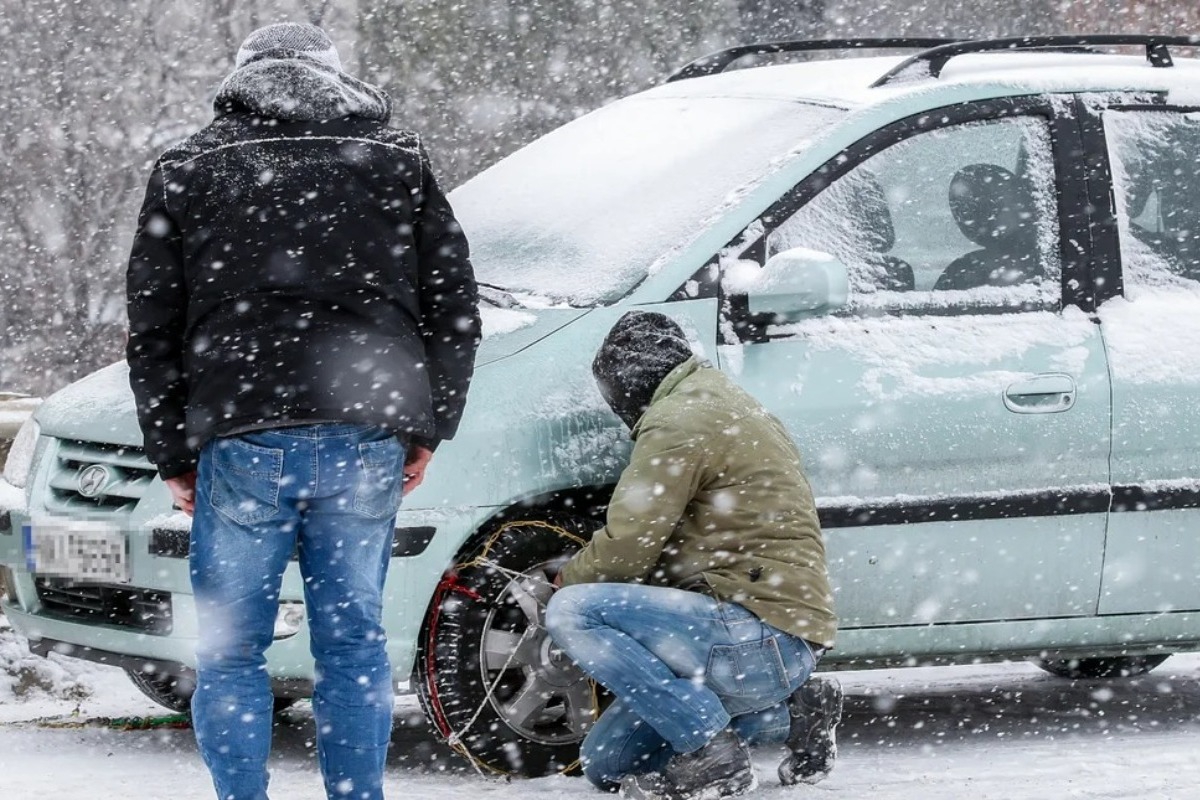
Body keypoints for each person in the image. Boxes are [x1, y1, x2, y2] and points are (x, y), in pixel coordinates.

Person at [125, 23, 479, 800]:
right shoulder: (395, 159)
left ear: (240, 76)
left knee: (230, 653)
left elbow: (153, 329)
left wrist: (173, 452)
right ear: (335, 75)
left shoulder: (189, 166)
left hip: (240, 431)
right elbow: (453, 305)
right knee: (352, 645)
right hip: (365, 428)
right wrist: (426, 426)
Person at [544, 311, 840, 800]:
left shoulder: (679, 419)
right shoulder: (726, 402)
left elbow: (627, 545)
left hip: (752, 632)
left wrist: (566, 578)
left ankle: (712, 753)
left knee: (572, 610)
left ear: (626, 385)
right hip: (785, 640)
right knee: (608, 764)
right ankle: (795, 714)